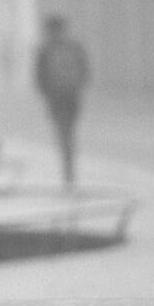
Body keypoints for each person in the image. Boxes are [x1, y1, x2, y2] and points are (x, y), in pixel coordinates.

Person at [34, 13, 91, 188]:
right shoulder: (74, 47)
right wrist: (78, 86)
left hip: (57, 98)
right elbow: (85, 71)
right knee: (69, 133)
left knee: (63, 133)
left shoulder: (45, 50)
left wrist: (46, 93)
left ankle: (68, 169)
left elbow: (39, 77)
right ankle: (69, 168)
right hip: (72, 96)